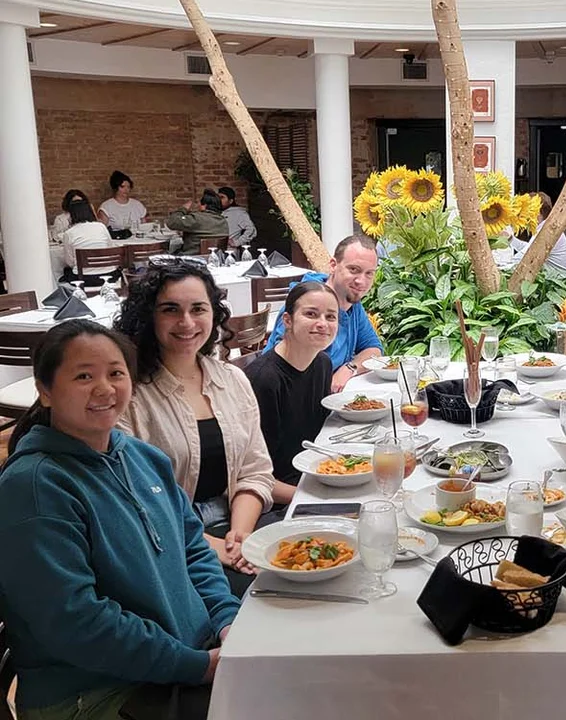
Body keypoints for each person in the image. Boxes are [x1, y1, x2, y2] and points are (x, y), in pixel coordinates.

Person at [0, 320, 237, 718]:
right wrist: (197, 666)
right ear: (44, 390)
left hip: (178, 660)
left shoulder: (141, 457)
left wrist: (228, 621)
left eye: (115, 373)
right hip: (96, 693)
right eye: (83, 376)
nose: (105, 389)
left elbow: (193, 549)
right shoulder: (35, 487)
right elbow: (78, 623)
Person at [114, 260, 276, 596]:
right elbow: (135, 503)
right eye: (170, 309)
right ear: (149, 317)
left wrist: (240, 536)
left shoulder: (232, 380)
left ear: (214, 315)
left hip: (235, 521)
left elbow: (254, 471)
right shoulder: (129, 394)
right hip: (167, 543)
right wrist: (216, 549)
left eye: (198, 308)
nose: (186, 322)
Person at [245, 282, 337, 501]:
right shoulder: (264, 380)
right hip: (279, 495)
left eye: (331, 317)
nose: (322, 324)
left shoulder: (322, 363)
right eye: (311, 314)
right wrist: (312, 497)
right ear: (287, 320)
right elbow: (252, 475)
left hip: (316, 476)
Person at [265, 234, 383, 392]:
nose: (361, 281)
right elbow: (287, 369)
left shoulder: (352, 304)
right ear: (333, 265)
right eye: (354, 270)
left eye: (369, 273)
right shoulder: (304, 304)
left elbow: (373, 348)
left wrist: (349, 369)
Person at [509, 192, 566, 272]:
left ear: (537, 212)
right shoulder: (544, 226)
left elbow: (526, 255)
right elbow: (529, 248)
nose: (522, 214)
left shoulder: (547, 230)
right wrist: (510, 239)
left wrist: (505, 267)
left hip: (558, 281)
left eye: (525, 210)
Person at [60, 197, 117, 285]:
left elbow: (70, 262)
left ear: (72, 215)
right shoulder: (101, 227)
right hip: (109, 275)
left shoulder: (69, 233)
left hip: (83, 278)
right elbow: (110, 249)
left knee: (65, 271)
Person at [165, 188, 230, 256]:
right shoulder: (223, 221)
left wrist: (183, 209)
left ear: (204, 206)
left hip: (192, 259)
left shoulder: (196, 218)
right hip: (216, 258)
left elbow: (172, 222)